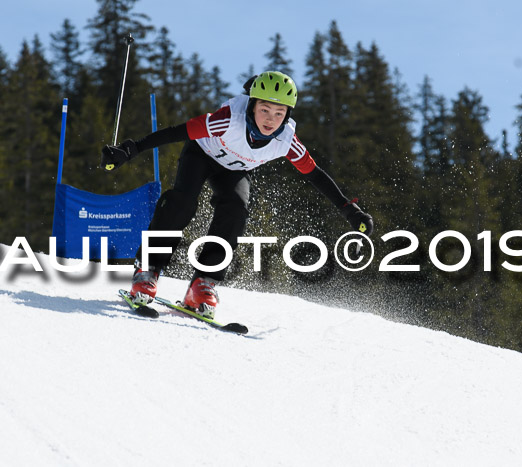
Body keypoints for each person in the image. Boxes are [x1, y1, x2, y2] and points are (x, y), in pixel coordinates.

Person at [101, 71, 373, 319]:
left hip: (235, 170)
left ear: (287, 115)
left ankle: (203, 283)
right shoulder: (227, 121)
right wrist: (131, 149)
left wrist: (349, 210)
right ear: (253, 105)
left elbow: (315, 174)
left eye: (279, 113)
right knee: (182, 203)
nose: (270, 119)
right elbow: (176, 132)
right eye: (264, 109)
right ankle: (147, 270)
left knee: (236, 209)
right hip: (202, 155)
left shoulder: (287, 140)